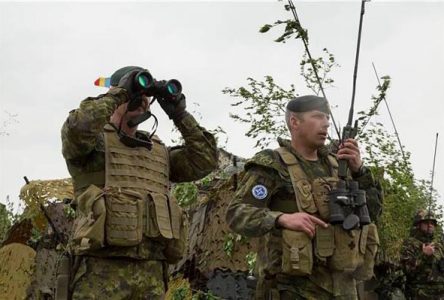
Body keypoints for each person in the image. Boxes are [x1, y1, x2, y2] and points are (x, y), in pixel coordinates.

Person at [61, 66, 218, 299]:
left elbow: (205, 159)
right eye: (137, 93)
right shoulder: (93, 148)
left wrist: (180, 114)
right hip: (99, 274)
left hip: (152, 276)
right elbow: (78, 127)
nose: (143, 101)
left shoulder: (158, 153)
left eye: (147, 97)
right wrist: (120, 94)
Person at [226, 95, 382, 299]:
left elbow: (373, 212)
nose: (326, 123)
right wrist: (281, 218)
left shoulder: (339, 166)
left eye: (327, 117)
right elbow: (237, 213)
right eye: (317, 116)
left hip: (343, 289)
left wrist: (360, 171)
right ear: (294, 122)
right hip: (291, 289)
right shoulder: (273, 164)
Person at [400, 209, 444, 299]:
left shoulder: (439, 246)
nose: (430, 225)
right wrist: (424, 255)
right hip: (419, 293)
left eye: (432, 223)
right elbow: (407, 270)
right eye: (426, 223)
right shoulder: (410, 243)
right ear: (418, 224)